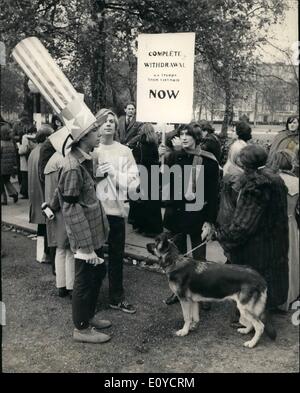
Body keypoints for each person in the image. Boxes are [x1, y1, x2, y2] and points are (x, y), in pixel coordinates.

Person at [49, 118, 111, 344]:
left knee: (95, 276)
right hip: (85, 237)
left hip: (93, 233)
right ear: (83, 138)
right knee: (84, 280)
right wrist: (85, 245)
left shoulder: (82, 161)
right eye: (95, 131)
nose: (99, 134)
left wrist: (97, 178)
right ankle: (81, 328)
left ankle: (88, 316)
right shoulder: (73, 166)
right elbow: (71, 207)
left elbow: (70, 194)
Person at [216, 145, 289, 313]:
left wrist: (220, 234)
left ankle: (249, 317)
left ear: (244, 163)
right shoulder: (275, 179)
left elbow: (243, 226)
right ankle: (264, 309)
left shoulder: (255, 185)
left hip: (256, 246)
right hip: (275, 241)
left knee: (250, 281)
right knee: (268, 279)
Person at [159, 123, 219, 305]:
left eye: (188, 135)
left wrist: (209, 220)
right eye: (181, 134)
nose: (184, 138)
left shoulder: (208, 160)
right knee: (175, 259)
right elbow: (163, 184)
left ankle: (204, 293)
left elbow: (213, 193)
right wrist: (161, 159)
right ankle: (178, 291)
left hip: (197, 216)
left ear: (196, 137)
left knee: (199, 259)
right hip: (175, 215)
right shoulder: (173, 157)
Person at [94, 108, 139, 314]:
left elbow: (133, 184)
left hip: (116, 213)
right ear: (97, 125)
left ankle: (116, 297)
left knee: (116, 257)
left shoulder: (124, 151)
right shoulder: (92, 150)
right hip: (94, 213)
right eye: (104, 121)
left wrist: (113, 174)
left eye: (112, 120)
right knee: (93, 257)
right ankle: (91, 298)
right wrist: (95, 174)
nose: (109, 124)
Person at [44, 127, 75, 297]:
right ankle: (70, 286)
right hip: (63, 210)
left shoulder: (52, 161)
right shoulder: (64, 162)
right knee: (69, 250)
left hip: (53, 211)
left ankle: (61, 285)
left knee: (59, 249)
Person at [268, 150, 299, 311]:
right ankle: (291, 295)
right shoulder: (297, 182)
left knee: (274, 260)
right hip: (292, 223)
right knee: (291, 258)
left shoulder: (272, 181)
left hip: (274, 225)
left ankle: (275, 297)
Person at [130, 123, 163, 236]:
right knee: (153, 204)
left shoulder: (139, 143)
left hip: (142, 174)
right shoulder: (154, 144)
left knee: (141, 202)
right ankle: (153, 229)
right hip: (153, 174)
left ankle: (140, 226)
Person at [28, 125, 53, 263]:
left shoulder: (33, 152)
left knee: (41, 227)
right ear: (46, 138)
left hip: (35, 193)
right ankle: (46, 254)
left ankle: (40, 255)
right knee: (47, 225)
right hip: (43, 192)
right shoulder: (45, 153)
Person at [17, 124, 37, 199]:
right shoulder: (37, 137)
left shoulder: (25, 137)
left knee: (25, 177)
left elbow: (23, 150)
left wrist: (19, 148)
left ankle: (25, 193)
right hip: (34, 158)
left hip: (25, 160)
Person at [0, 124, 18, 205]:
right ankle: (14, 193)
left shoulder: (1, 143)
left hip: (2, 167)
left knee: (1, 183)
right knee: (7, 181)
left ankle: (4, 199)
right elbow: (14, 155)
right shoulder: (11, 143)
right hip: (9, 166)